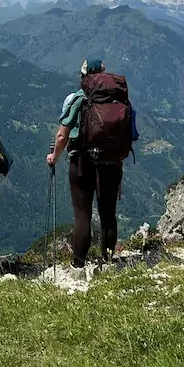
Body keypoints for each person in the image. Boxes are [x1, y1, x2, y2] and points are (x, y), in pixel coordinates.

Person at [46, 58, 132, 276]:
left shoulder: (77, 98)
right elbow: (132, 132)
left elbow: (62, 135)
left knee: (82, 214)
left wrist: (54, 156)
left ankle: (78, 266)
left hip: (82, 162)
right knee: (108, 213)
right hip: (112, 162)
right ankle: (107, 261)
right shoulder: (120, 98)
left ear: (84, 76)